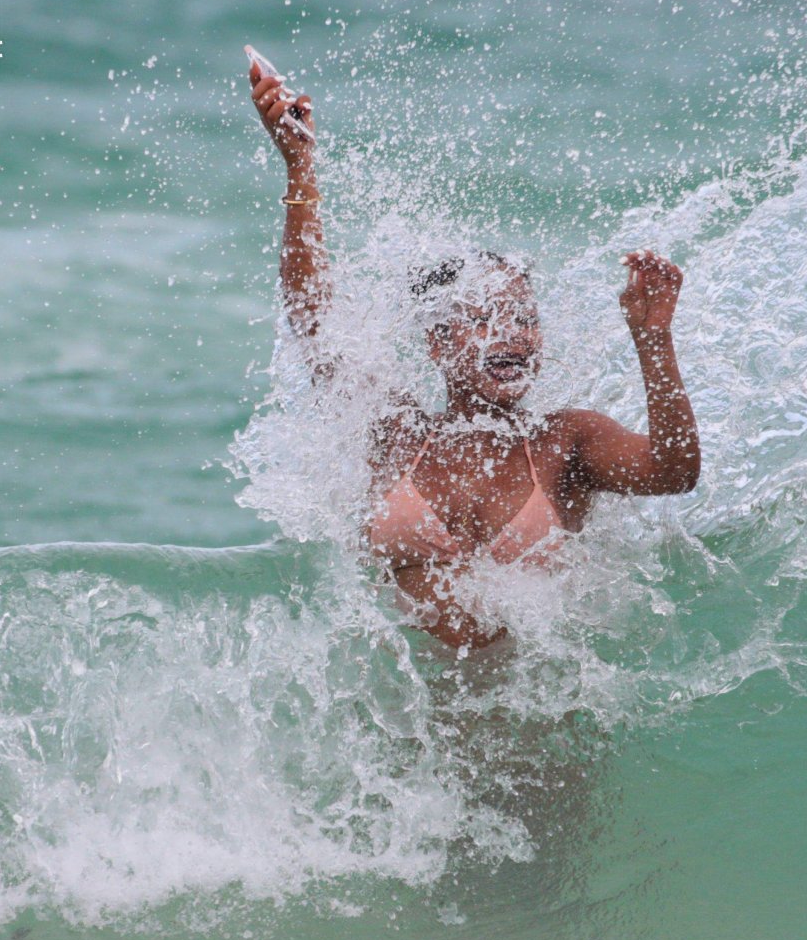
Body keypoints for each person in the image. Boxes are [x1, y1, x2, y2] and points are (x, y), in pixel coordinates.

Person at [249, 60, 701, 652]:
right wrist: (300, 169)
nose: (512, 335)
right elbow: (315, 321)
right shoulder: (395, 432)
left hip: (539, 705)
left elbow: (674, 472)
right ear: (437, 343)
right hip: (404, 707)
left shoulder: (565, 442)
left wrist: (653, 340)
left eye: (525, 320)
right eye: (484, 318)